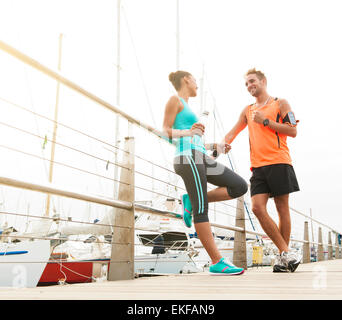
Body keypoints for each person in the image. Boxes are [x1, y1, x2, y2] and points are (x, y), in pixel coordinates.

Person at [162, 70, 248, 275]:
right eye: (194, 80)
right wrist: (189, 132)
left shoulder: (188, 107)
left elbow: (193, 138)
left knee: (239, 186)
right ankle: (217, 261)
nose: (196, 85)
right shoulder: (174, 100)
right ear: (186, 80)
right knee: (202, 210)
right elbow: (165, 131)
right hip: (187, 157)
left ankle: (190, 200)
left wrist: (214, 145)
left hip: (200, 155)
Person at [222, 68, 301, 272]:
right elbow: (231, 133)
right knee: (257, 207)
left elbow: (293, 131)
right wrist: (220, 146)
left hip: (279, 162)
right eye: (246, 84)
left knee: (282, 209)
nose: (249, 86)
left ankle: (284, 259)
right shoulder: (247, 110)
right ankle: (286, 252)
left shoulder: (280, 103)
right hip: (258, 167)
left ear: (263, 81)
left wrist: (265, 121)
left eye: (252, 81)